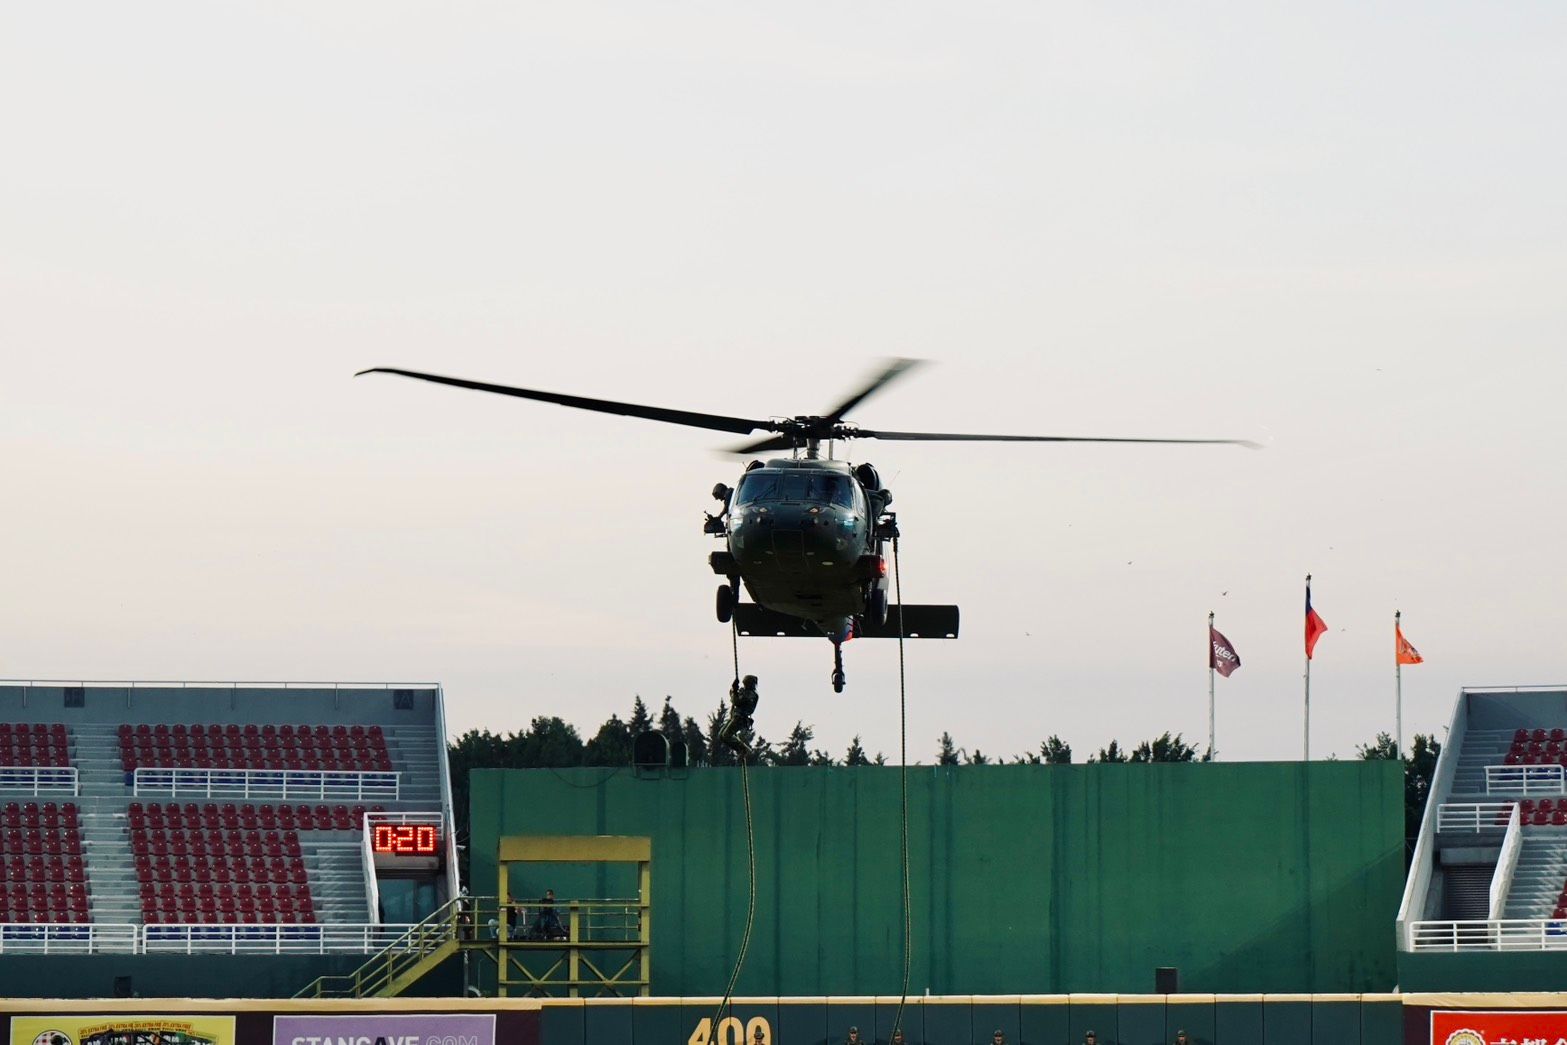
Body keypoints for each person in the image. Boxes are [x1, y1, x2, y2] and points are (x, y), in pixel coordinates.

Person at [719, 676, 761, 760]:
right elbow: (733, 697)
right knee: (721, 736)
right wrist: (733, 689)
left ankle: (743, 749)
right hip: (735, 717)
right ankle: (741, 748)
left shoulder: (751, 694)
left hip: (741, 719)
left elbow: (736, 701)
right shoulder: (744, 691)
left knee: (726, 735)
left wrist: (734, 691)